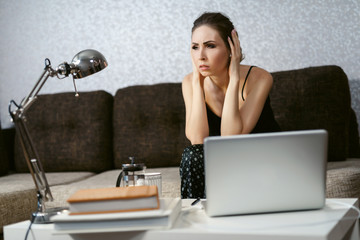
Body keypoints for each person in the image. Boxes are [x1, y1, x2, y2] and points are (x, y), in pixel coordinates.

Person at [180, 12, 280, 199]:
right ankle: (195, 219)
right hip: (225, 161)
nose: (200, 56)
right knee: (192, 155)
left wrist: (234, 78)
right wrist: (197, 83)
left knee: (206, 155)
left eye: (210, 46)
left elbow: (231, 137)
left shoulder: (259, 78)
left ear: (230, 48)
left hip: (264, 158)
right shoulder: (189, 82)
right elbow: (197, 140)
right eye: (195, 47)